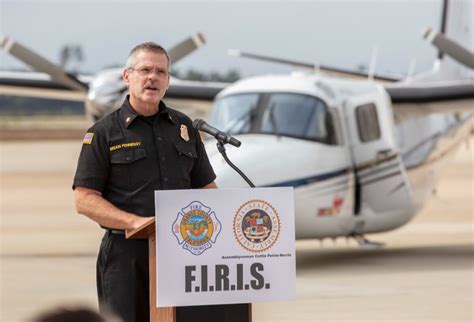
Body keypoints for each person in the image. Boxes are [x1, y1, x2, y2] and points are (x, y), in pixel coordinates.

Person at [73, 42, 217, 322]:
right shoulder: (103, 133)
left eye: (160, 71)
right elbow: (84, 199)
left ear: (168, 80)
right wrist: (133, 222)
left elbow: (207, 190)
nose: (153, 77)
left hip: (184, 252)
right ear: (127, 77)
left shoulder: (184, 128)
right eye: (145, 70)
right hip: (126, 255)